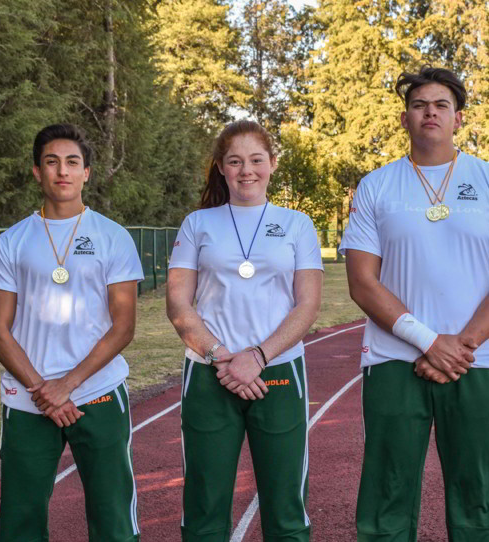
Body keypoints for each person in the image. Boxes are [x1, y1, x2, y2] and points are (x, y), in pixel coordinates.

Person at [339, 66, 489, 542]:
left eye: (441, 105)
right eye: (420, 105)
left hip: (476, 360)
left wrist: (458, 346)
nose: (430, 112)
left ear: (458, 118)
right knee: (387, 492)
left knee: (478, 492)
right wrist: (428, 341)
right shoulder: (377, 186)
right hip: (394, 359)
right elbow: (362, 283)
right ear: (405, 119)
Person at [0, 123, 144, 541]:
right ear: (37, 171)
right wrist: (43, 390)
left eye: (73, 162)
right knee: (20, 519)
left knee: (113, 518)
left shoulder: (113, 237)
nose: (62, 171)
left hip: (97, 392)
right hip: (27, 398)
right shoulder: (11, 242)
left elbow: (123, 326)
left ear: (86, 172)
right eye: (51, 162)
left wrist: (67, 385)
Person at [166, 120, 323, 542]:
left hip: (277, 373)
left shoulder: (297, 224)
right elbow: (179, 304)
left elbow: (307, 304)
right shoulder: (197, 223)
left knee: (286, 503)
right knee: (204, 504)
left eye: (256, 160)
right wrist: (222, 357)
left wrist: (257, 356)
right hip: (208, 374)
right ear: (221, 167)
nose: (246, 170)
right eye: (235, 161)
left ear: (272, 164)